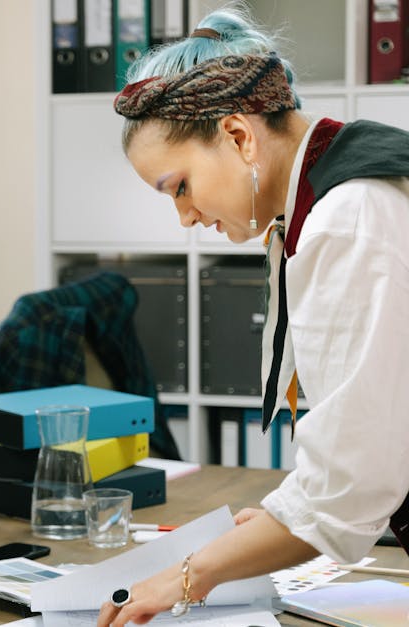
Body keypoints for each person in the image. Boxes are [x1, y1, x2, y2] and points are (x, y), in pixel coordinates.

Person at [99, 8, 409, 626]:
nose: (185, 218)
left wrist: (191, 576)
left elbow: (352, 477)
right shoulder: (347, 182)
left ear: (239, 136)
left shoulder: (348, 217)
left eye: (179, 187)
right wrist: (280, 519)